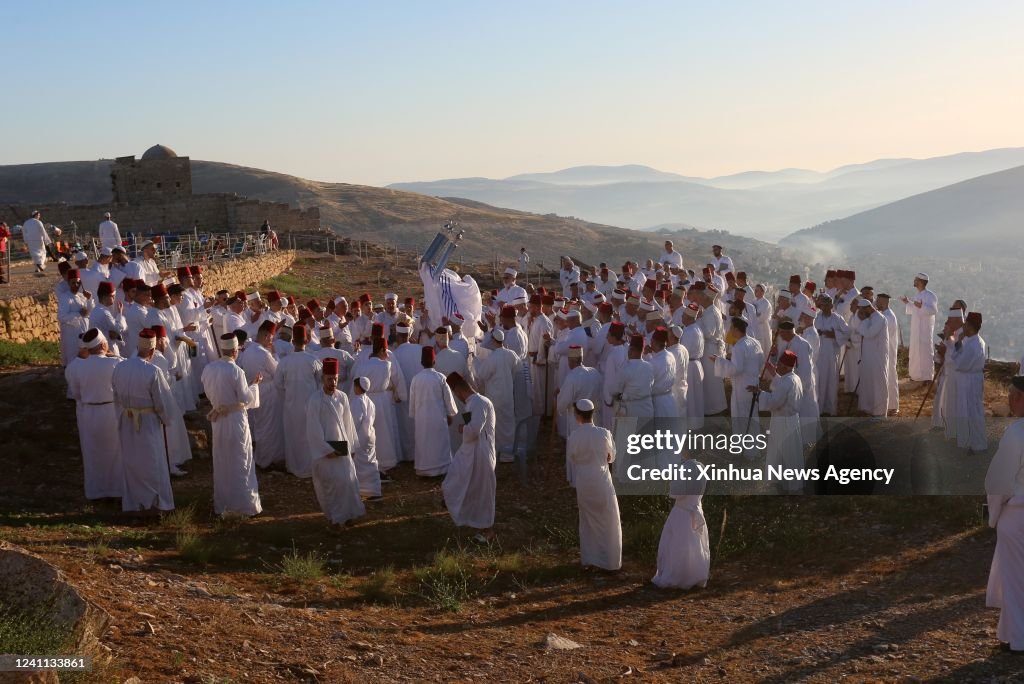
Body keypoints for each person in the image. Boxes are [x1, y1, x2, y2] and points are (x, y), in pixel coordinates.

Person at [112, 329, 176, 513]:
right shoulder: (153, 371)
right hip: (147, 422)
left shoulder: (119, 367)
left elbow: (115, 394)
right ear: (152, 351)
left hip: (127, 419)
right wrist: (166, 419)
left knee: (132, 461)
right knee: (152, 462)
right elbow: (162, 402)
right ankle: (155, 503)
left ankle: (135, 503)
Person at [202, 333, 263, 517]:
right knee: (240, 460)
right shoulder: (236, 371)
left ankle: (224, 504)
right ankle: (243, 506)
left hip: (219, 421)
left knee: (222, 460)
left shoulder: (209, 369)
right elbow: (245, 399)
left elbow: (208, 392)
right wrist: (254, 385)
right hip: (235, 419)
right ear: (235, 351)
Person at [985, 376, 1024, 653]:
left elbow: (998, 481)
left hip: (1018, 515)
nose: (1009, 399)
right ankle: (1010, 633)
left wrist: (994, 515)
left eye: (1012, 394)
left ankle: (1019, 638)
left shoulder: (1016, 433)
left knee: (1014, 580)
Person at [306, 357, 365, 527]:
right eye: (329, 378)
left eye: (336, 378)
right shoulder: (315, 400)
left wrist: (351, 446)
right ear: (323, 378)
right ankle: (334, 518)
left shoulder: (343, 397)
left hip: (341, 447)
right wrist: (325, 449)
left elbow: (348, 423)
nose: (333, 382)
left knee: (347, 482)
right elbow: (313, 428)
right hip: (324, 451)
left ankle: (347, 515)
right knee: (330, 486)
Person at [65, 329, 124, 500]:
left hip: (88, 412)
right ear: (104, 344)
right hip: (111, 411)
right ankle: (117, 490)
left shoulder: (74, 367)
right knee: (115, 453)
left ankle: (96, 492)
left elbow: (75, 394)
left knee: (92, 453)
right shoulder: (116, 363)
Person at [567, 399, 621, 571]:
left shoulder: (574, 436)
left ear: (578, 415)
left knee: (588, 521)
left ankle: (591, 559)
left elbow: (572, 458)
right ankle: (610, 561)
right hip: (602, 479)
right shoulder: (604, 433)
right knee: (608, 519)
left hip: (584, 481)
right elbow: (611, 457)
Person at [442, 371, 497, 540]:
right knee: (459, 482)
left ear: (459, 391)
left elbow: (473, 430)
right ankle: (471, 519)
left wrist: (462, 429)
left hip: (481, 453)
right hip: (472, 452)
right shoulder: (471, 403)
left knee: (482, 492)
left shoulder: (478, 403)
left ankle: (487, 530)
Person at [651, 459, 710, 589]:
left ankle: (678, 576)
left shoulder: (687, 467)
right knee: (695, 545)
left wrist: (672, 480)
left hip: (681, 513)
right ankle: (694, 575)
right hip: (696, 510)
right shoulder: (701, 466)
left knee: (675, 545)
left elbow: (676, 492)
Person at [274, 323, 323, 478]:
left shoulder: (284, 362)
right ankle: (310, 468)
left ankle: (294, 466)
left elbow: (278, 384)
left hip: (291, 405)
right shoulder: (313, 360)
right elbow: (320, 381)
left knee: (293, 435)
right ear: (307, 341)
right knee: (309, 436)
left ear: (292, 342)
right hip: (310, 405)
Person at [752, 350, 803, 493]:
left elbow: (775, 401)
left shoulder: (787, 382)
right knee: (789, 451)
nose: (776, 366)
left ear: (786, 366)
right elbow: (781, 387)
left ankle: (786, 484)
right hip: (791, 420)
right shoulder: (794, 378)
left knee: (784, 451)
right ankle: (785, 481)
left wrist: (759, 393)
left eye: (779, 364)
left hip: (783, 422)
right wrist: (773, 374)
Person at [713, 317, 764, 458]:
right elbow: (761, 361)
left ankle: (746, 451)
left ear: (736, 329)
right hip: (754, 383)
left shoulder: (739, 347)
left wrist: (719, 361)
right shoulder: (755, 342)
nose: (730, 331)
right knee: (752, 415)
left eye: (731, 328)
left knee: (741, 416)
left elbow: (736, 369)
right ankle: (754, 448)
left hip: (742, 386)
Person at [239, 321, 285, 469]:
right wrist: (275, 354)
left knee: (260, 425)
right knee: (270, 426)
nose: (272, 341)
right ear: (266, 336)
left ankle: (263, 457)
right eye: (271, 337)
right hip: (268, 392)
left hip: (254, 389)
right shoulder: (264, 353)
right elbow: (278, 371)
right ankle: (266, 459)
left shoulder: (247, 351)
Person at [408, 346, 458, 477]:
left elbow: (412, 403)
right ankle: (441, 469)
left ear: (421, 362)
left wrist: (415, 415)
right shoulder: (440, 378)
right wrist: (450, 413)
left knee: (424, 443)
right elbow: (448, 399)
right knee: (439, 444)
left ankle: (423, 469)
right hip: (438, 418)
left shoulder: (416, 379)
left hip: (422, 419)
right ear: (434, 361)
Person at [473, 328, 520, 461]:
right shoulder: (511, 354)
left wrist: (475, 361)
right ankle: (509, 454)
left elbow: (481, 374)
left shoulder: (492, 358)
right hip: (508, 396)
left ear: (494, 340)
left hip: (495, 398)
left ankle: (499, 453)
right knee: (508, 423)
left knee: (497, 425)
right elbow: (518, 369)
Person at [950, 312, 988, 453]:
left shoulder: (973, 345)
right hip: (970, 379)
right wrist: (959, 342)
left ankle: (978, 443)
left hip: (970, 380)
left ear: (970, 326)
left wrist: (958, 344)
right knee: (970, 410)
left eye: (965, 324)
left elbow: (960, 363)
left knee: (973, 411)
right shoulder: (973, 341)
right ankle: (971, 440)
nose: (963, 326)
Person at [814, 294, 850, 416]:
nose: (823, 307)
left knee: (831, 381)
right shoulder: (817, 318)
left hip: (831, 355)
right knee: (820, 381)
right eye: (821, 305)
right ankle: (819, 408)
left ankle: (830, 409)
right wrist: (817, 333)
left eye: (825, 305)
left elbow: (847, 333)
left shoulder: (837, 318)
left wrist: (834, 335)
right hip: (819, 355)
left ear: (830, 305)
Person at [855, 300, 891, 418]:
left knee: (878, 383)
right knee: (868, 382)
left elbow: (869, 333)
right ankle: (868, 408)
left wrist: (864, 320)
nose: (860, 313)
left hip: (877, 357)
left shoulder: (879, 318)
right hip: (868, 356)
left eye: (861, 311)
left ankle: (879, 411)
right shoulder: (869, 318)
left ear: (867, 308)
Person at [900, 273, 938, 382]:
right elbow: (915, 309)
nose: (914, 281)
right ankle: (915, 375)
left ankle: (927, 377)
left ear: (920, 282)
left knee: (925, 352)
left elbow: (933, 310)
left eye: (916, 279)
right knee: (915, 351)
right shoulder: (918, 295)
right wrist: (908, 303)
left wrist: (920, 305)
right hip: (916, 329)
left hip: (925, 330)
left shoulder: (931, 296)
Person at [349, 377, 382, 500]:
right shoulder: (370, 401)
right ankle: (374, 490)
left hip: (360, 437)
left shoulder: (357, 402)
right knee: (371, 462)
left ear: (358, 387)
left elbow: (354, 422)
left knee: (359, 464)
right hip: (370, 435)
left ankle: (362, 490)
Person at [58, 269, 93, 367]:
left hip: (84, 332)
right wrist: (78, 314)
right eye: (73, 283)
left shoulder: (82, 296)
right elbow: (62, 316)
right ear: (69, 283)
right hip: (71, 334)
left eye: (78, 282)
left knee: (85, 359)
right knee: (72, 359)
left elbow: (90, 312)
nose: (76, 285)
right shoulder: (65, 297)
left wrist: (89, 299)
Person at [876, 294, 901, 416]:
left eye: (877, 301)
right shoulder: (884, 316)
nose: (876, 303)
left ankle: (893, 406)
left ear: (883, 302)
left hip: (889, 351)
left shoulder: (888, 317)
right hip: (884, 351)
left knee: (890, 377)